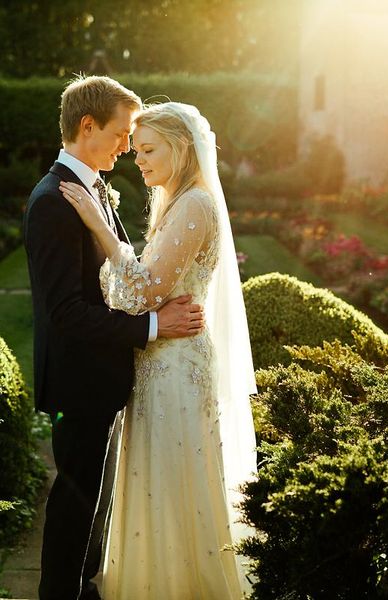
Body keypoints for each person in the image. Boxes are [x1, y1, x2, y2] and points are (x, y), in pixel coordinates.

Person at [59, 101, 257, 599]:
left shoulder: (194, 204)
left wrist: (101, 232)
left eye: (148, 150)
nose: (138, 159)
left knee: (173, 484)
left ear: (182, 147)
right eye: (136, 149)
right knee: (155, 484)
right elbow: (136, 291)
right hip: (158, 361)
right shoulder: (175, 200)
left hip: (175, 369)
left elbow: (138, 295)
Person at [23, 76, 204, 600]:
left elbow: (121, 273)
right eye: (122, 134)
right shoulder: (55, 201)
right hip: (79, 381)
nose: (128, 146)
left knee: (93, 498)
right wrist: (152, 326)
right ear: (87, 126)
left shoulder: (93, 188)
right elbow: (66, 314)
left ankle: (84, 586)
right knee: (75, 500)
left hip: (101, 377)